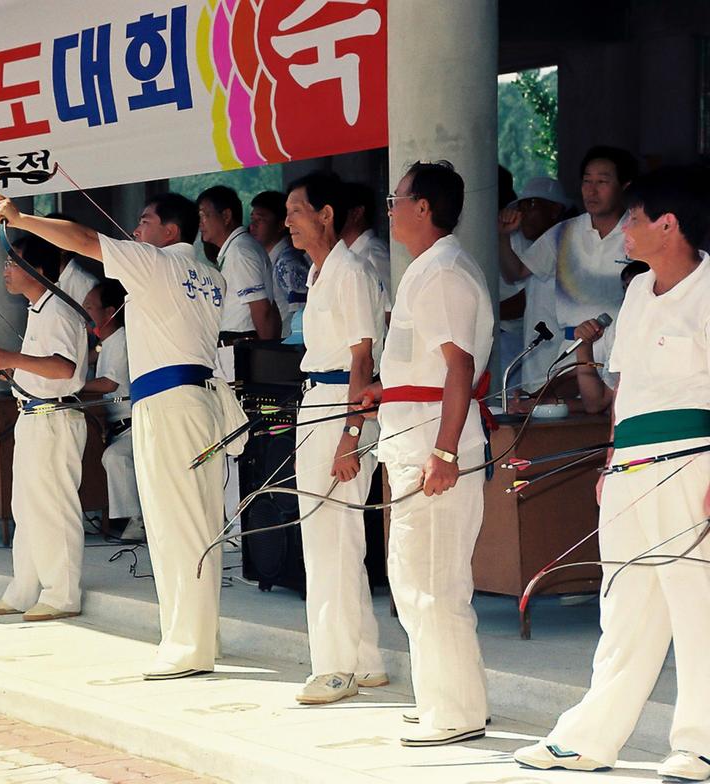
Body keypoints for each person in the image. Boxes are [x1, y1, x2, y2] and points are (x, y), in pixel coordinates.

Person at [514, 166, 710, 781]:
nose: (622, 227)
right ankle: (590, 739)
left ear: (668, 225)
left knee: (696, 605)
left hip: (693, 463)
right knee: (624, 603)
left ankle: (701, 742)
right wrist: (611, 459)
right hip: (630, 466)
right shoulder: (635, 292)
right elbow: (623, 391)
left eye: (633, 217)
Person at [0, 192, 233, 680]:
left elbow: (82, 239)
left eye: (145, 222)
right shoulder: (210, 275)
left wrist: (20, 219)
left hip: (170, 403)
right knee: (196, 522)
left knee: (173, 524)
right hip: (196, 401)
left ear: (169, 232)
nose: (136, 231)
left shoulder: (158, 264)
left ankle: (187, 645)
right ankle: (197, 636)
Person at [360, 161, 493, 746]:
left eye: (397, 197)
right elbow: (426, 369)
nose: (389, 207)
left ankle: (456, 712)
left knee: (433, 582)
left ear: (422, 206)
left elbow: (459, 367)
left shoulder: (443, 272)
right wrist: (383, 391)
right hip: (413, 438)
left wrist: (444, 450)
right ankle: (445, 697)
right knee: (413, 576)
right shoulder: (428, 269)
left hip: (435, 448)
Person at [285, 172, 387, 705]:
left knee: (332, 538)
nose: (288, 223)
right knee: (330, 534)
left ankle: (336, 667)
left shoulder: (350, 272)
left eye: (297, 212)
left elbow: (362, 358)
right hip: (321, 404)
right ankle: (364, 660)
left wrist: (350, 434)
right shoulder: (322, 272)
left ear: (326, 214)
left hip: (340, 409)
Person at [0, 235, 89, 622]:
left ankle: (62, 594)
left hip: (54, 418)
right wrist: (13, 366)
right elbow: (43, 364)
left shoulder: (59, 309)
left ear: (38, 269)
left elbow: (64, 368)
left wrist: (13, 357)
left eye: (13, 263)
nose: (6, 270)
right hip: (33, 414)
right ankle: (25, 588)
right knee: (25, 508)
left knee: (53, 506)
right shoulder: (38, 310)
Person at [500, 146, 638, 393]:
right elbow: (516, 272)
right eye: (587, 181)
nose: (591, 190)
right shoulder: (564, 232)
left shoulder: (638, 232)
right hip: (570, 352)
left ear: (625, 186)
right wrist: (502, 238)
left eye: (602, 181)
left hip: (622, 350)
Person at [496, 177, 570, 395]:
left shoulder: (565, 239)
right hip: (537, 361)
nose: (524, 213)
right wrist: (503, 236)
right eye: (522, 206)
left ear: (555, 210)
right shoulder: (537, 248)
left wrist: (485, 314)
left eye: (533, 205)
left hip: (561, 359)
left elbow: (521, 302)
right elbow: (513, 274)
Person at [81, 280, 142, 541]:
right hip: (113, 426)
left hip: (132, 427)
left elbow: (109, 383)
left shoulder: (123, 340)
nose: (85, 312)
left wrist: (73, 384)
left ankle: (136, 520)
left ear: (110, 312)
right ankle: (95, 512)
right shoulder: (105, 343)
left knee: (114, 457)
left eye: (90, 307)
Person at [197, 185, 280, 342]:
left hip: (241, 343)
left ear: (226, 216)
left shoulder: (240, 251)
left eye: (204, 215)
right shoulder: (236, 248)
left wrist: (267, 354)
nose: (200, 223)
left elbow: (261, 308)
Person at [572, 260, 648, 415]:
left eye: (635, 286)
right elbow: (596, 403)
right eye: (625, 288)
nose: (629, 294)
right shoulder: (620, 326)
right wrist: (583, 346)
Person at [249, 190, 309, 337]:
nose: (253, 226)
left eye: (261, 220)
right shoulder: (267, 260)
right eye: (252, 219)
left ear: (281, 225)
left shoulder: (287, 263)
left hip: (288, 348)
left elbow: (302, 313)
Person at [341, 181, 392, 307]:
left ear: (357, 213)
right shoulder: (348, 253)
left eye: (338, 210)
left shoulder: (373, 254)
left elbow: (388, 309)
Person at [48, 211, 101, 307]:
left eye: (46, 239)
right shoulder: (42, 279)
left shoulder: (86, 284)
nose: (37, 247)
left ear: (63, 247)